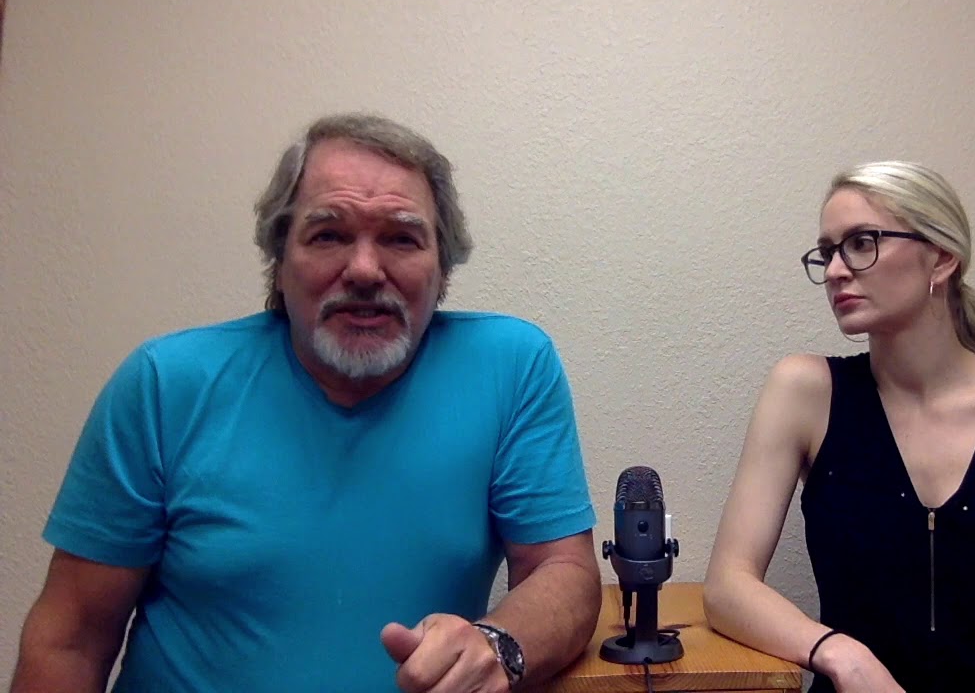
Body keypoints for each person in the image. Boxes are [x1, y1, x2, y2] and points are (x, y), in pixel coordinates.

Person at [11, 113, 601, 692]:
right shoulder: (165, 384)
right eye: (328, 236)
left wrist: (497, 646)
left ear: (442, 267)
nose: (365, 270)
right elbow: (72, 639)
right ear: (279, 261)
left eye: (401, 238)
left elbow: (563, 571)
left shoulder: (510, 366)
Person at [703, 162, 975, 693]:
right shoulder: (805, 392)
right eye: (827, 252)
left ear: (941, 257)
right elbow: (727, 586)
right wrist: (843, 656)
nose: (835, 270)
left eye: (861, 243)